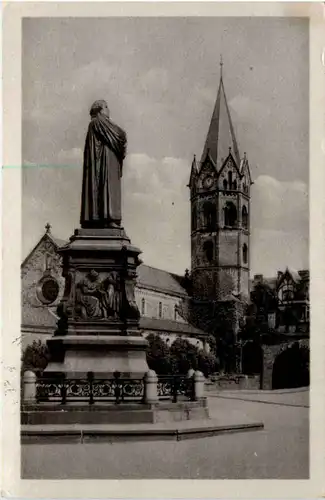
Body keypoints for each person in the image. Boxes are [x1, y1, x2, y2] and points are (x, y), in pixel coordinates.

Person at [80, 100, 127, 229]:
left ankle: (103, 218)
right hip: (105, 164)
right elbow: (120, 135)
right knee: (107, 188)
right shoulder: (98, 122)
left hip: (107, 162)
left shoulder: (96, 124)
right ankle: (108, 217)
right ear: (100, 110)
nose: (108, 109)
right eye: (106, 107)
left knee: (107, 189)